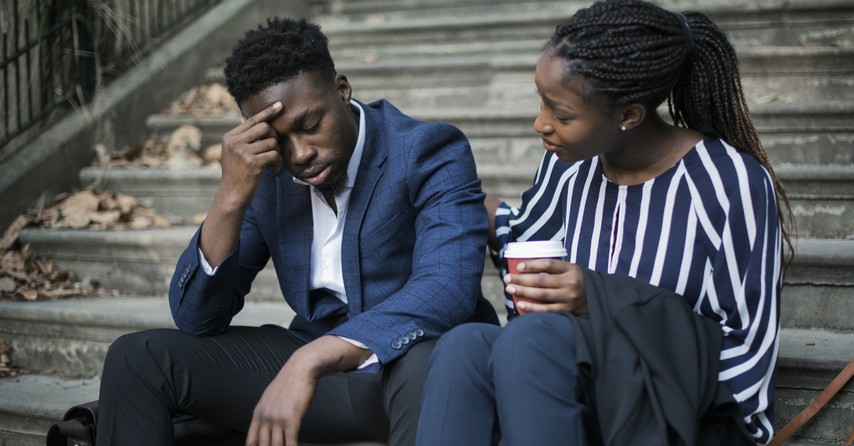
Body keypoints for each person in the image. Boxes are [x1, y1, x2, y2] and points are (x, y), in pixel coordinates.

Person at [95, 17, 499, 446]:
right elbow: (198, 317)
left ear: (342, 89)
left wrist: (311, 359)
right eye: (279, 139)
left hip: (407, 365)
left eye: (310, 126)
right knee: (136, 359)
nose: (301, 153)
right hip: (319, 373)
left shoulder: (428, 151)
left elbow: (446, 289)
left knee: (430, 365)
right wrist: (230, 196)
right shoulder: (267, 178)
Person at [417, 0, 793, 445]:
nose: (541, 124)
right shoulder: (567, 169)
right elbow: (526, 239)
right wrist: (457, 198)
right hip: (571, 384)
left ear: (628, 115)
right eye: (542, 103)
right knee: (464, 346)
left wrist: (594, 296)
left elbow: (744, 345)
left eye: (562, 114)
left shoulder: (729, 182)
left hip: (671, 405)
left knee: (531, 340)